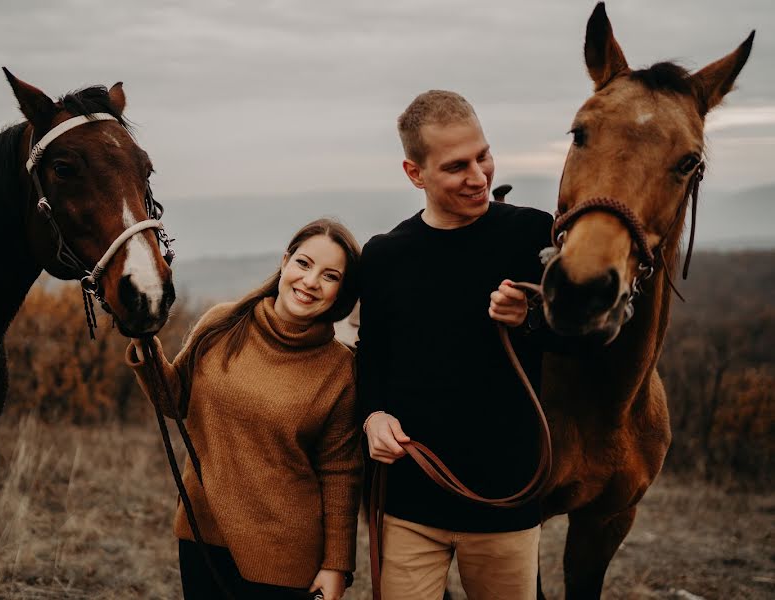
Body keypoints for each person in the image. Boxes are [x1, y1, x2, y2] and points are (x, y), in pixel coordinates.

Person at [358, 90, 552, 600]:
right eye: (456, 166)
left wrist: (531, 318)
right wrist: (373, 415)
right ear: (414, 173)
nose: (479, 176)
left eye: (483, 155)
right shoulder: (383, 256)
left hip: (505, 501)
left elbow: (588, 343)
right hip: (408, 505)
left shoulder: (535, 235)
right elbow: (373, 358)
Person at [126, 218, 363, 600]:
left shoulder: (339, 369)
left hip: (284, 556)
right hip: (202, 534)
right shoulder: (224, 322)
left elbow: (340, 474)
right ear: (285, 262)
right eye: (303, 263)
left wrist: (336, 564)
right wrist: (145, 344)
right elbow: (176, 400)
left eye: (330, 275)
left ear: (341, 291)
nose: (310, 282)